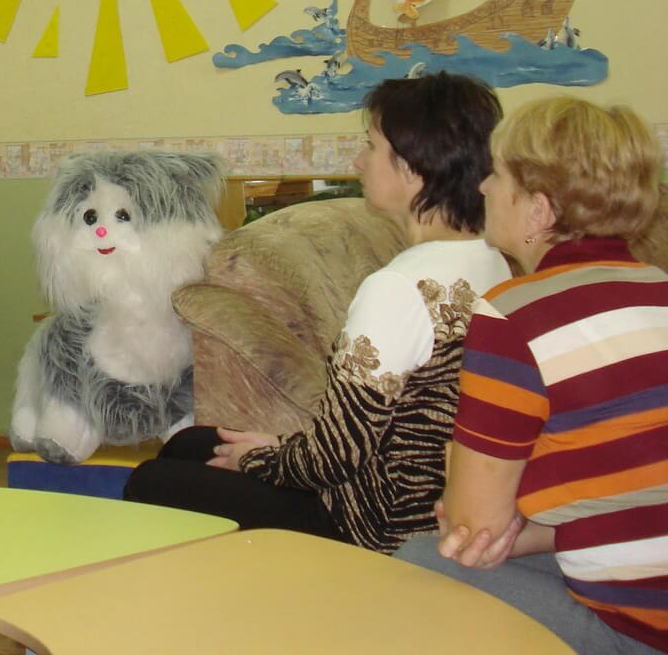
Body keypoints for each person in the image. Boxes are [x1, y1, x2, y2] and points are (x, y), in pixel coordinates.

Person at [125, 72, 510, 553]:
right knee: (192, 445)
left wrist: (256, 461)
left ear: (412, 169)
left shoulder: (398, 288)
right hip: (423, 498)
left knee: (151, 481)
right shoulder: (492, 261)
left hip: (372, 525)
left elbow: (336, 458)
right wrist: (276, 449)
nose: (359, 161)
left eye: (371, 146)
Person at [396, 97, 668, 654]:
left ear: (539, 211)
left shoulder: (516, 315)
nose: (483, 187)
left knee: (418, 562)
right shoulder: (658, 287)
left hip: (639, 632)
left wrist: (464, 475)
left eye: (498, 175)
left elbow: (470, 529)